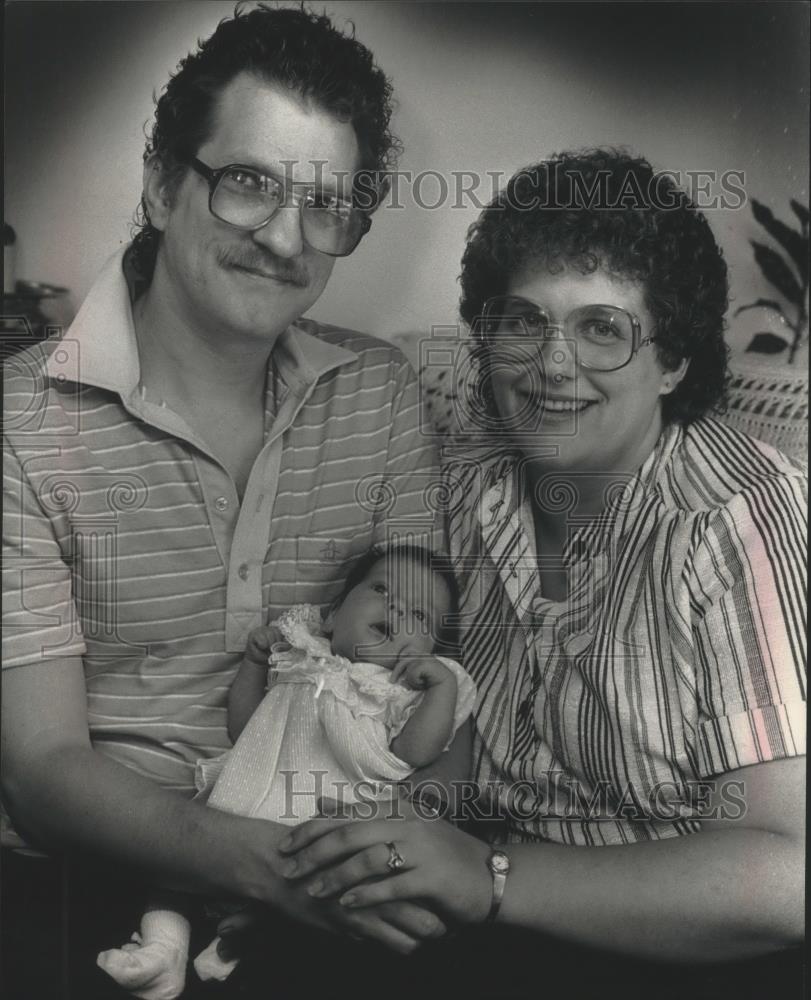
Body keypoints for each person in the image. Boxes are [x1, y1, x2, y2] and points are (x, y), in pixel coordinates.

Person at [271, 150, 806, 999]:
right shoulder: (461, 488)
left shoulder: (736, 517)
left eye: (602, 327)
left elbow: (787, 877)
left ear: (671, 362)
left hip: (686, 951)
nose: (552, 365)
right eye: (523, 321)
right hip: (481, 915)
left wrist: (490, 877)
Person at [2, 7, 458, 997]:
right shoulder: (19, 424)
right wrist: (275, 868)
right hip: (86, 884)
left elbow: (427, 662)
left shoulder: (378, 394)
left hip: (332, 859)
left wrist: (404, 845)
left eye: (326, 205)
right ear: (165, 185)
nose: (287, 239)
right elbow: (40, 770)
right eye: (251, 184)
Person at [97, 544, 475, 999]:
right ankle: (163, 949)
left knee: (319, 901)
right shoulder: (300, 656)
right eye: (380, 588)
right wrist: (254, 667)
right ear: (332, 616)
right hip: (243, 801)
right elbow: (245, 727)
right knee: (171, 864)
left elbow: (416, 751)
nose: (396, 607)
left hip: (321, 817)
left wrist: (439, 689)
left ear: (430, 650)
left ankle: (239, 943)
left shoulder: (399, 693)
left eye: (420, 615)